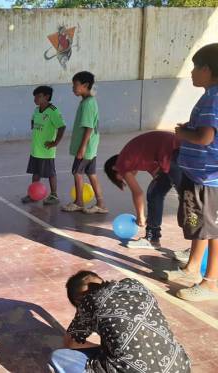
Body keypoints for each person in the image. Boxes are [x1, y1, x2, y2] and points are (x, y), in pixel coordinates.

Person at [49, 270, 190, 373]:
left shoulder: (88, 302)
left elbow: (71, 343)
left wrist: (102, 348)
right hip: (180, 367)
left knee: (60, 357)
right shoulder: (135, 285)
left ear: (79, 301)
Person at [162, 44, 218, 301]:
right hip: (199, 176)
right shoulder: (210, 95)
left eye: (195, 67)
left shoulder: (213, 97)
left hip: (207, 177)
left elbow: (206, 137)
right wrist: (190, 128)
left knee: (211, 229)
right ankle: (192, 268)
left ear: (207, 69)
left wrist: (183, 133)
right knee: (199, 226)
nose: (192, 73)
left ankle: (210, 282)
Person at [104, 131, 181, 250]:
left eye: (122, 177)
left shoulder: (122, 163)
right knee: (155, 193)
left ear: (114, 168)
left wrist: (141, 217)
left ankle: (197, 247)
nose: (126, 177)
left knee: (188, 199)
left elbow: (137, 193)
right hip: (173, 147)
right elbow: (158, 177)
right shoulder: (140, 157)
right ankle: (152, 238)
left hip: (172, 151)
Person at [62, 72, 108, 214]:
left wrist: (82, 148)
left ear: (85, 85)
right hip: (91, 147)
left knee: (77, 172)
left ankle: (79, 202)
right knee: (91, 173)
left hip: (86, 147)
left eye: (75, 85)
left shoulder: (88, 104)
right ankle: (100, 204)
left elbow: (88, 128)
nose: (73, 88)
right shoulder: (88, 101)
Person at [21, 86, 66, 205]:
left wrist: (55, 142)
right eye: (34, 96)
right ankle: (33, 194)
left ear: (47, 97)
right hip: (35, 149)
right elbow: (33, 120)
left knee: (50, 173)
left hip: (46, 150)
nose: (35, 99)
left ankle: (54, 195)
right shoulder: (36, 110)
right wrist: (33, 124)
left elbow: (62, 126)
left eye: (38, 96)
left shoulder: (53, 111)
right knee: (36, 172)